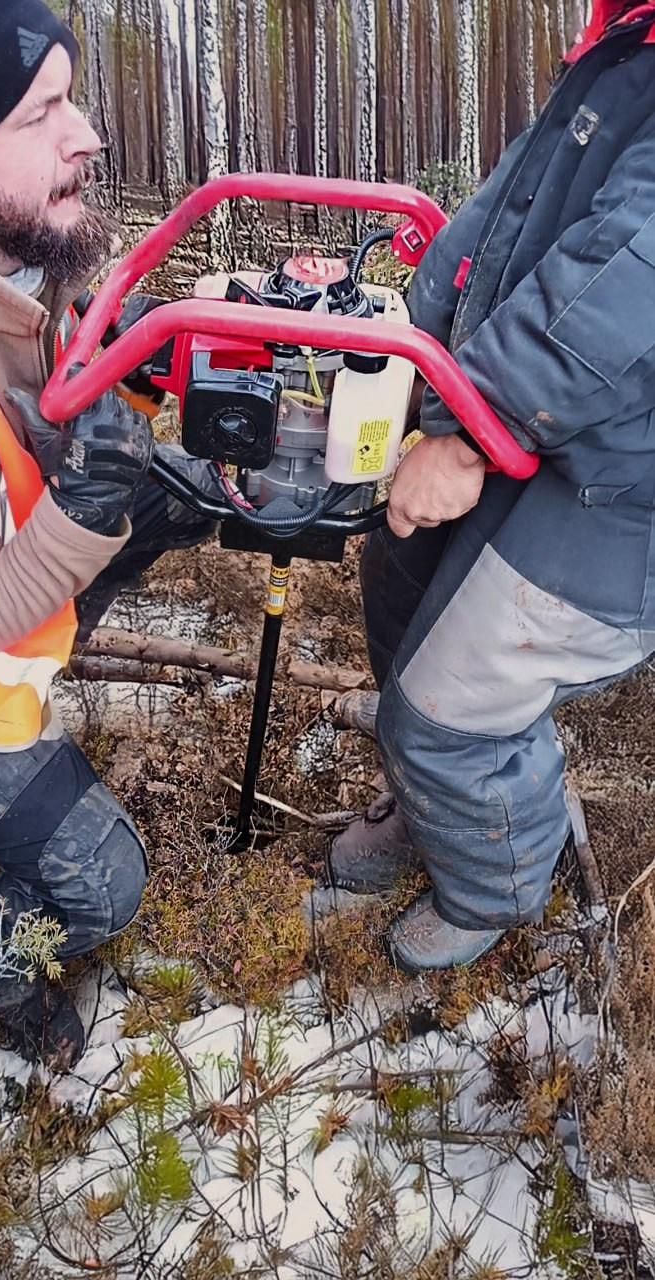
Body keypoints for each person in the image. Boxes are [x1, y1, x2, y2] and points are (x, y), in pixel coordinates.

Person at [0, 0, 215, 1066]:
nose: (88, 134)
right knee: (104, 881)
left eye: (72, 95)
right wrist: (84, 505)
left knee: (179, 482)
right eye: (39, 112)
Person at [328, 0, 655, 972]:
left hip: (618, 486)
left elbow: (626, 271)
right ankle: (437, 793)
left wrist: (476, 429)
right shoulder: (627, 39)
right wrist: (425, 312)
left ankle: (492, 881)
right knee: (397, 575)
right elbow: (516, 207)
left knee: (441, 709)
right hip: (551, 424)